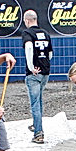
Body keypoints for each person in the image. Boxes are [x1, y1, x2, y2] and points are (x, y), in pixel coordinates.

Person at [20, 9, 53, 144]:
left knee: (35, 104)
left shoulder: (27, 33)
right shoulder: (45, 33)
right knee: (39, 100)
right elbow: (50, 54)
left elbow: (28, 47)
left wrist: (31, 66)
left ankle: (38, 133)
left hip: (34, 73)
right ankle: (36, 124)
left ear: (27, 20)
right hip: (45, 71)